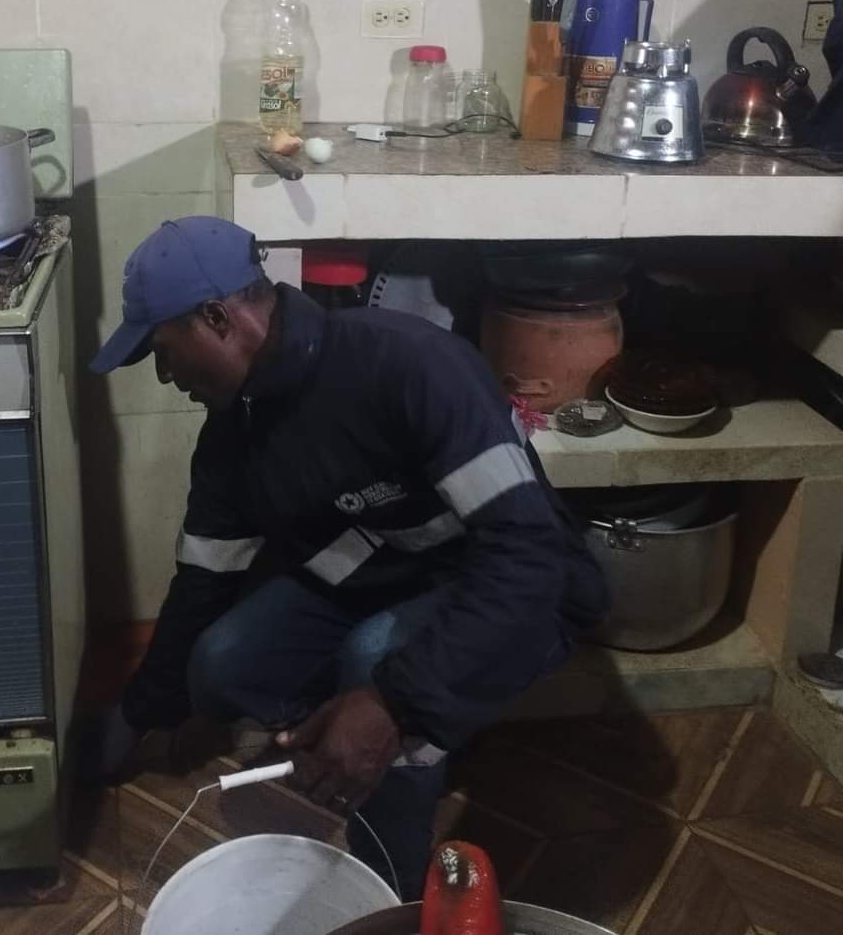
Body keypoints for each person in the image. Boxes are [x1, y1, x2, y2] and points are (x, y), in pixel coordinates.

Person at [87, 217, 608, 899]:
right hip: (392, 571)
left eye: (162, 350)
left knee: (375, 660)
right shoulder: (234, 433)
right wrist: (138, 712)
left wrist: (391, 699)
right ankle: (381, 734)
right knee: (221, 662)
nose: (164, 375)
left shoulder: (408, 366)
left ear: (216, 318)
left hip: (526, 587)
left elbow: (529, 554)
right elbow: (204, 582)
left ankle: (390, 889)